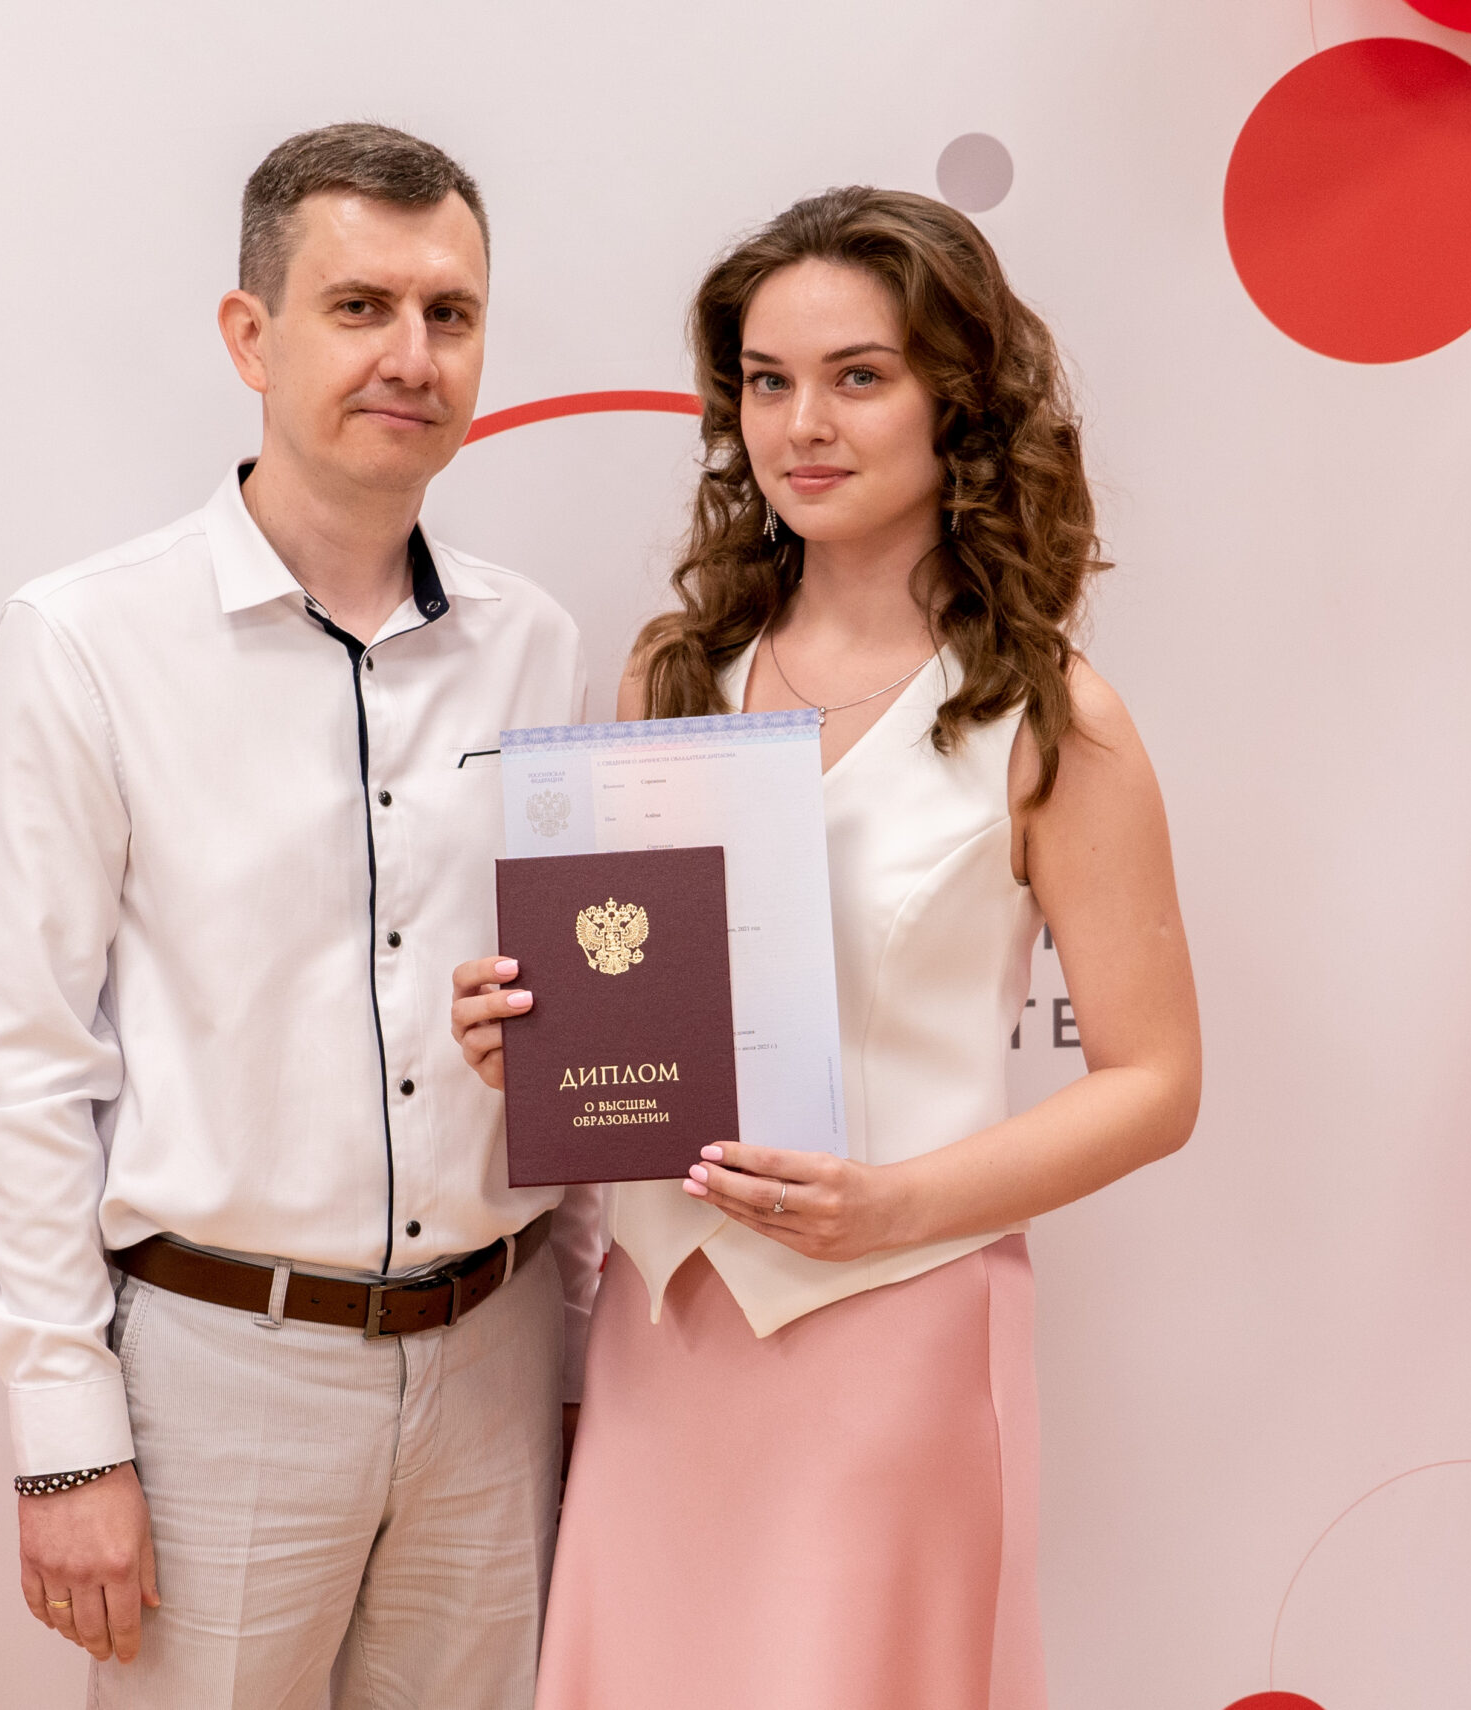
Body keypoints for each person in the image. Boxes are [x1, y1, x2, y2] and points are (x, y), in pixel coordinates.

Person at [452, 186, 1201, 1709]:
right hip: (665, 1327)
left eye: (859, 376)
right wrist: (527, 1039)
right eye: (768, 380)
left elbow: (1157, 1080)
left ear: (959, 402)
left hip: (895, 1333)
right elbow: (632, 1015)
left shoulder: (1050, 716)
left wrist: (896, 1207)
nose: (804, 425)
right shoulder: (677, 668)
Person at [0, 122, 601, 1709]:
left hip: (500, 1354)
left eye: (450, 313)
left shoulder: (538, 643)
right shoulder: (87, 640)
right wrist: (65, 1442)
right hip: (220, 1372)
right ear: (252, 335)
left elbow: (574, 1039)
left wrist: (585, 1358)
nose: (412, 355)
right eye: (360, 306)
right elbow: (28, 1064)